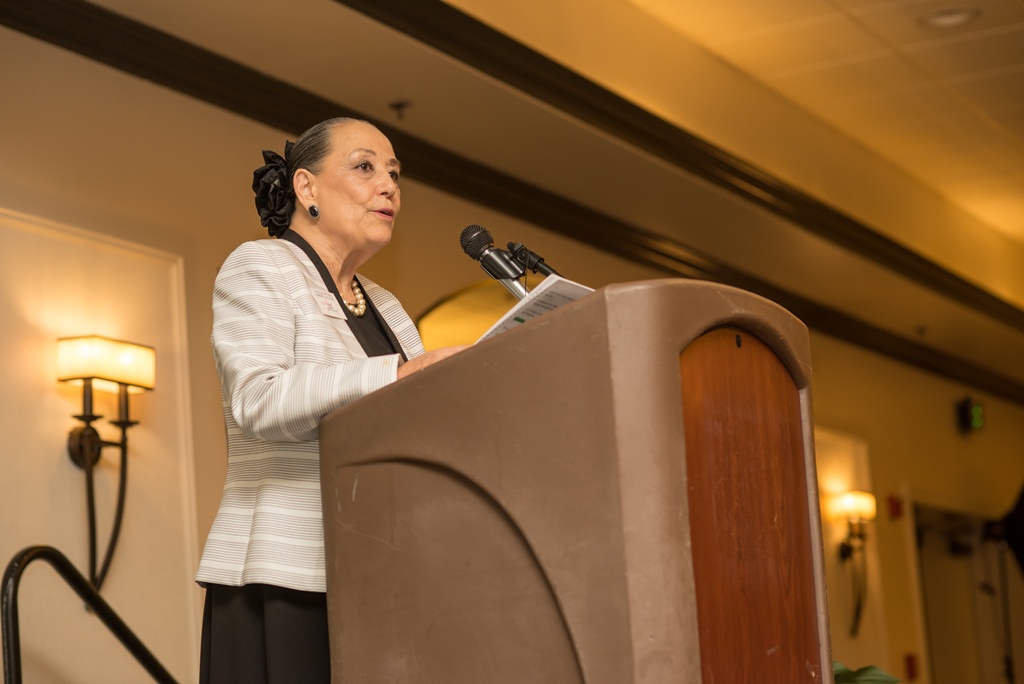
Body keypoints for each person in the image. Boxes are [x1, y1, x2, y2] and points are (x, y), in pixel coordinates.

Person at [196, 117, 466, 683]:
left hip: (377, 570)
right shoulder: (261, 266)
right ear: (306, 187)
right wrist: (398, 373)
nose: (388, 186)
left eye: (394, 173)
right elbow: (258, 400)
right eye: (365, 167)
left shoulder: (386, 305)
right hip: (285, 578)